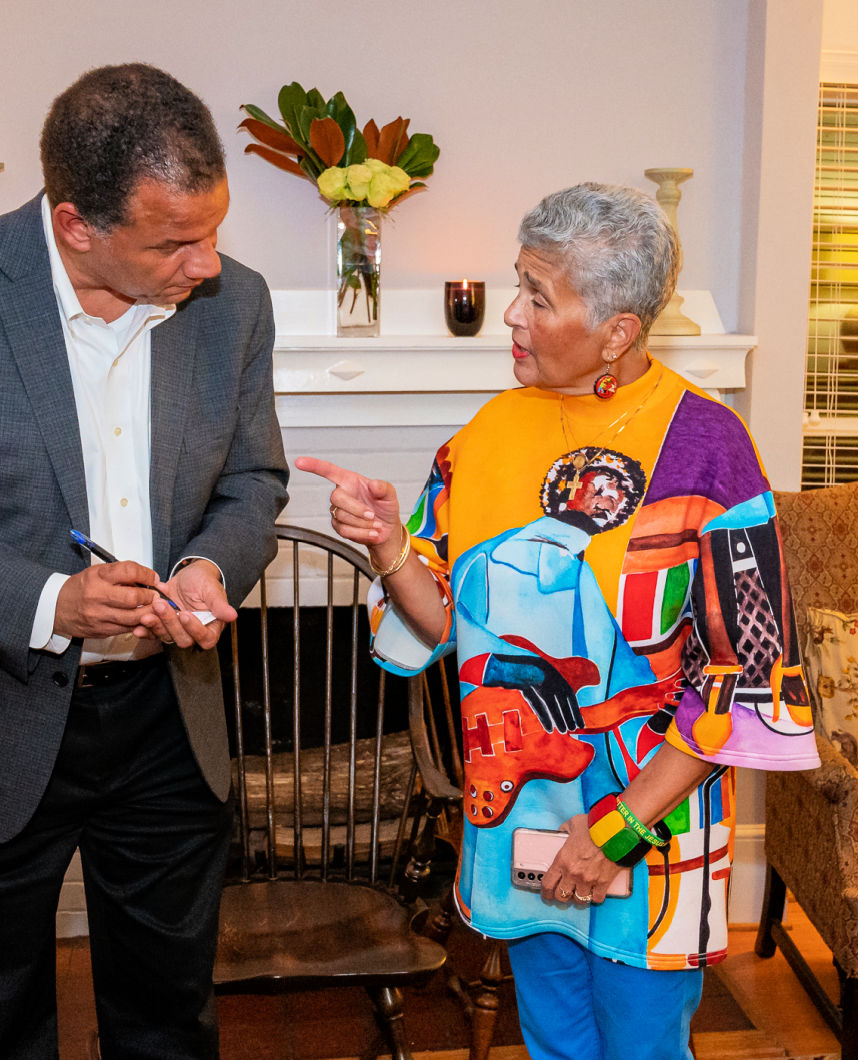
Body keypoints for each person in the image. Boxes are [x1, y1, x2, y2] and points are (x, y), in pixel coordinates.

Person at [295, 183, 819, 1060]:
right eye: (519, 285)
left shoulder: (709, 446)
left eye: (540, 295)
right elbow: (441, 626)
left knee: (644, 1049)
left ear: (617, 329)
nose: (514, 313)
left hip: (648, 831)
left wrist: (616, 830)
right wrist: (391, 544)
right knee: (553, 1044)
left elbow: (746, 676)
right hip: (524, 823)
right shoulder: (487, 434)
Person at [0, 64, 287, 1059]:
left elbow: (254, 480)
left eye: (213, 230)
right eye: (174, 242)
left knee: (168, 1019)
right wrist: (51, 601)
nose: (206, 264)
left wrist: (211, 568)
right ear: (76, 223)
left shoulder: (235, 305)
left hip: (171, 723)